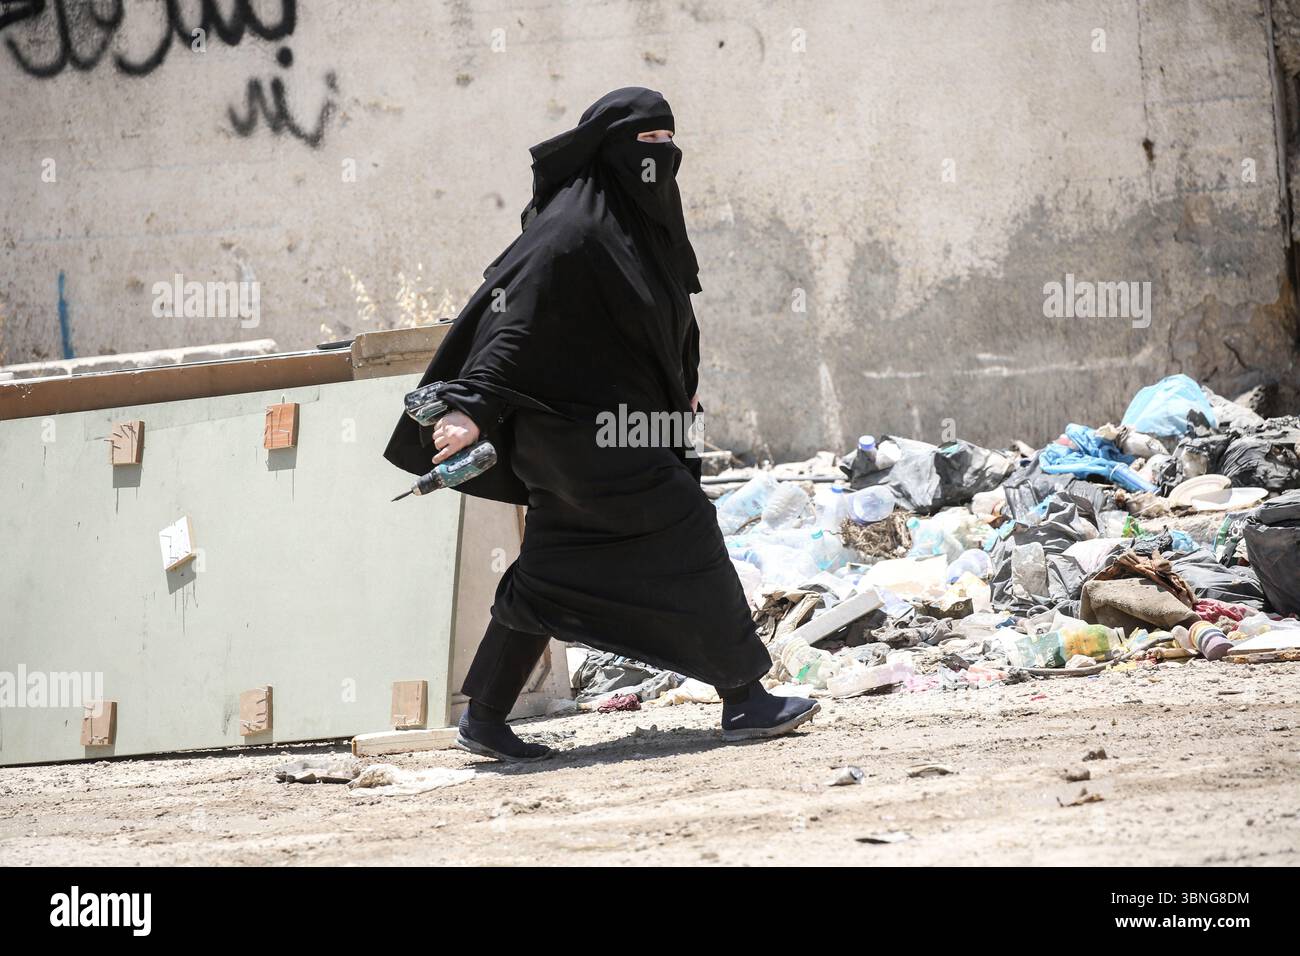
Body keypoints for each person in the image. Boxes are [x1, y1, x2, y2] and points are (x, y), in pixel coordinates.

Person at [385, 87, 818, 761]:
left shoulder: (639, 226)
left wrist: (680, 396)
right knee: (687, 529)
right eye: (645, 142)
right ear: (608, 149)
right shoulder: (571, 229)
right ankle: (745, 696)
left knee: (554, 564)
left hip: (608, 430)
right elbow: (512, 320)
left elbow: (659, 323)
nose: (660, 156)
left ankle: (485, 718)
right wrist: (470, 407)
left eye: (667, 141)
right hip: (581, 432)